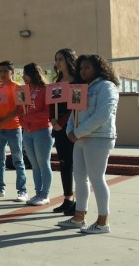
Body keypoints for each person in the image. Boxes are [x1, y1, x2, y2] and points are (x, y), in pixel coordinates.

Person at [58, 55, 119, 234]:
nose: (83, 71)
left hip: (99, 138)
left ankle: (102, 222)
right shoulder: (81, 88)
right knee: (80, 179)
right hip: (80, 139)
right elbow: (73, 113)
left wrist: (77, 132)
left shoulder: (107, 87)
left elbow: (103, 114)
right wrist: (70, 131)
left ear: (98, 69)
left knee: (97, 179)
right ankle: (78, 217)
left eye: (87, 68)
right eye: (81, 68)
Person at [0, 61, 29, 202]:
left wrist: (3, 120)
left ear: (12, 72)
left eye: (5, 71)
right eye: (1, 71)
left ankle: (22, 191)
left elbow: (18, 110)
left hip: (14, 129)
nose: (3, 74)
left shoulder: (18, 88)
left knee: (18, 160)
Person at [20, 63, 54, 206]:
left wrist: (29, 118)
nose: (23, 77)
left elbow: (47, 112)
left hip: (42, 131)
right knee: (34, 165)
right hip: (27, 132)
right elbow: (20, 109)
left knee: (43, 163)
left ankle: (45, 194)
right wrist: (23, 122)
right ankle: (38, 193)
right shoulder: (23, 90)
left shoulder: (45, 90)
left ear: (33, 74)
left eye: (25, 74)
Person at [51, 48, 78, 215]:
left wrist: (61, 122)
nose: (58, 62)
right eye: (56, 59)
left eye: (60, 59)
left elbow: (75, 106)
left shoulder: (77, 81)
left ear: (69, 60)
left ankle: (79, 202)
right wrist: (52, 121)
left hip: (72, 128)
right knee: (64, 164)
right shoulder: (56, 82)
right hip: (58, 129)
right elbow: (51, 104)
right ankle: (67, 199)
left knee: (76, 165)